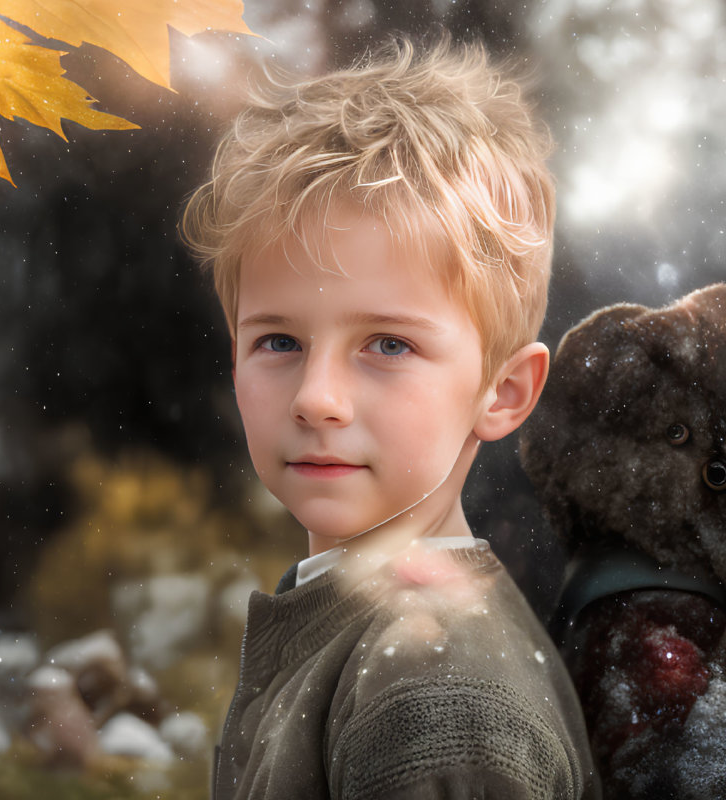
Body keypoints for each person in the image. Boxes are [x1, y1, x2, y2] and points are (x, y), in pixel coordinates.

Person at [180, 35, 600, 800]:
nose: (317, 396)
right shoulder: (364, 630)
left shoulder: (438, 704)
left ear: (502, 391)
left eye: (387, 344)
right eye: (279, 340)